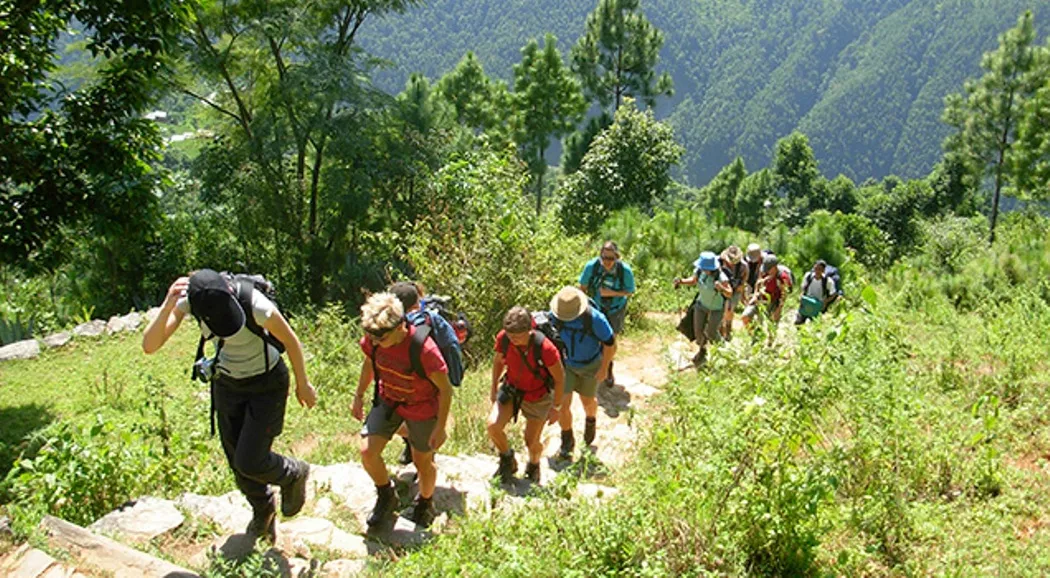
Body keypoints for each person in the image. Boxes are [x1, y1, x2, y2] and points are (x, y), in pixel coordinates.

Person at [142, 269, 316, 544]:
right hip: (227, 385)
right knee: (236, 459)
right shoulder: (191, 302)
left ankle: (294, 473)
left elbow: (291, 341)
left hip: (267, 383)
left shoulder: (255, 303)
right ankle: (263, 509)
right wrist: (167, 305)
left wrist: (302, 384)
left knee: (251, 459)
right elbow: (150, 345)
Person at [352, 292, 453, 528]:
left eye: (381, 338)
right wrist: (358, 395)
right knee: (367, 451)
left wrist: (440, 427)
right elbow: (369, 362)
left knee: (422, 461)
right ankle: (387, 496)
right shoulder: (374, 338)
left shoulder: (424, 349)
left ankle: (425, 504)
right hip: (389, 400)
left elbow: (446, 390)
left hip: (422, 407)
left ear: (399, 327)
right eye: (371, 337)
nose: (374, 342)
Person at [488, 306, 565, 484]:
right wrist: (493, 388)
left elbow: (560, 379)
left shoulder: (545, 348)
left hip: (538, 396)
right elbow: (498, 361)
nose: (513, 339)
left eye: (517, 336)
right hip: (511, 389)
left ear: (529, 330)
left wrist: (556, 407)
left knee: (531, 441)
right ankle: (507, 458)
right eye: (510, 335)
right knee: (493, 426)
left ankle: (534, 464)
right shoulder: (504, 339)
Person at [550, 286, 617, 460]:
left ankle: (590, 420)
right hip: (566, 365)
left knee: (587, 400)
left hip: (591, 365)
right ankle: (567, 441)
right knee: (563, 403)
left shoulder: (595, 319)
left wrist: (604, 368)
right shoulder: (555, 317)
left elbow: (610, 344)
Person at [578, 241, 635, 387]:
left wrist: (612, 293)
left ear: (617, 257)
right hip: (596, 307)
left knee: (610, 340)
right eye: (604, 258)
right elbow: (582, 288)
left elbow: (630, 291)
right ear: (600, 256)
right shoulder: (592, 267)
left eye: (611, 258)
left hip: (616, 308)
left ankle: (608, 367)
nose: (607, 262)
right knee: (595, 339)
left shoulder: (625, 270)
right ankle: (597, 365)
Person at [674, 251, 732, 366]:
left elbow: (730, 293)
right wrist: (681, 282)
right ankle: (702, 351)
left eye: (705, 268)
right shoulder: (700, 271)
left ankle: (724, 350)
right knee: (698, 331)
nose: (703, 269)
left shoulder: (721, 277)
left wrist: (721, 288)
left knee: (711, 332)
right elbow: (693, 280)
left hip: (716, 308)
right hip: (701, 305)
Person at [741, 254, 792, 328]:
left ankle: (769, 338)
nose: (767, 271)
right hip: (760, 299)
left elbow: (784, 294)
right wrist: (755, 295)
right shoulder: (764, 270)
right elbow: (758, 283)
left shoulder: (783, 277)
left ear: (774, 267)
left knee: (771, 326)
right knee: (745, 316)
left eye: (769, 269)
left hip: (774, 302)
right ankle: (754, 337)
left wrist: (778, 310)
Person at [719, 245, 749, 339]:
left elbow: (744, 279)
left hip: (736, 290)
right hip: (722, 288)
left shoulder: (743, 266)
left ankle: (728, 330)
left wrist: (741, 287)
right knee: (721, 311)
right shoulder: (720, 262)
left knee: (729, 311)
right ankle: (720, 331)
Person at [795, 260, 837, 325]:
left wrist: (825, 302)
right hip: (807, 302)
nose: (817, 271)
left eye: (819, 269)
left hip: (818, 305)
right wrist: (801, 296)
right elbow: (803, 288)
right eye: (815, 268)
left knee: (814, 325)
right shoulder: (808, 276)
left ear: (823, 270)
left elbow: (834, 294)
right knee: (798, 323)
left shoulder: (828, 281)